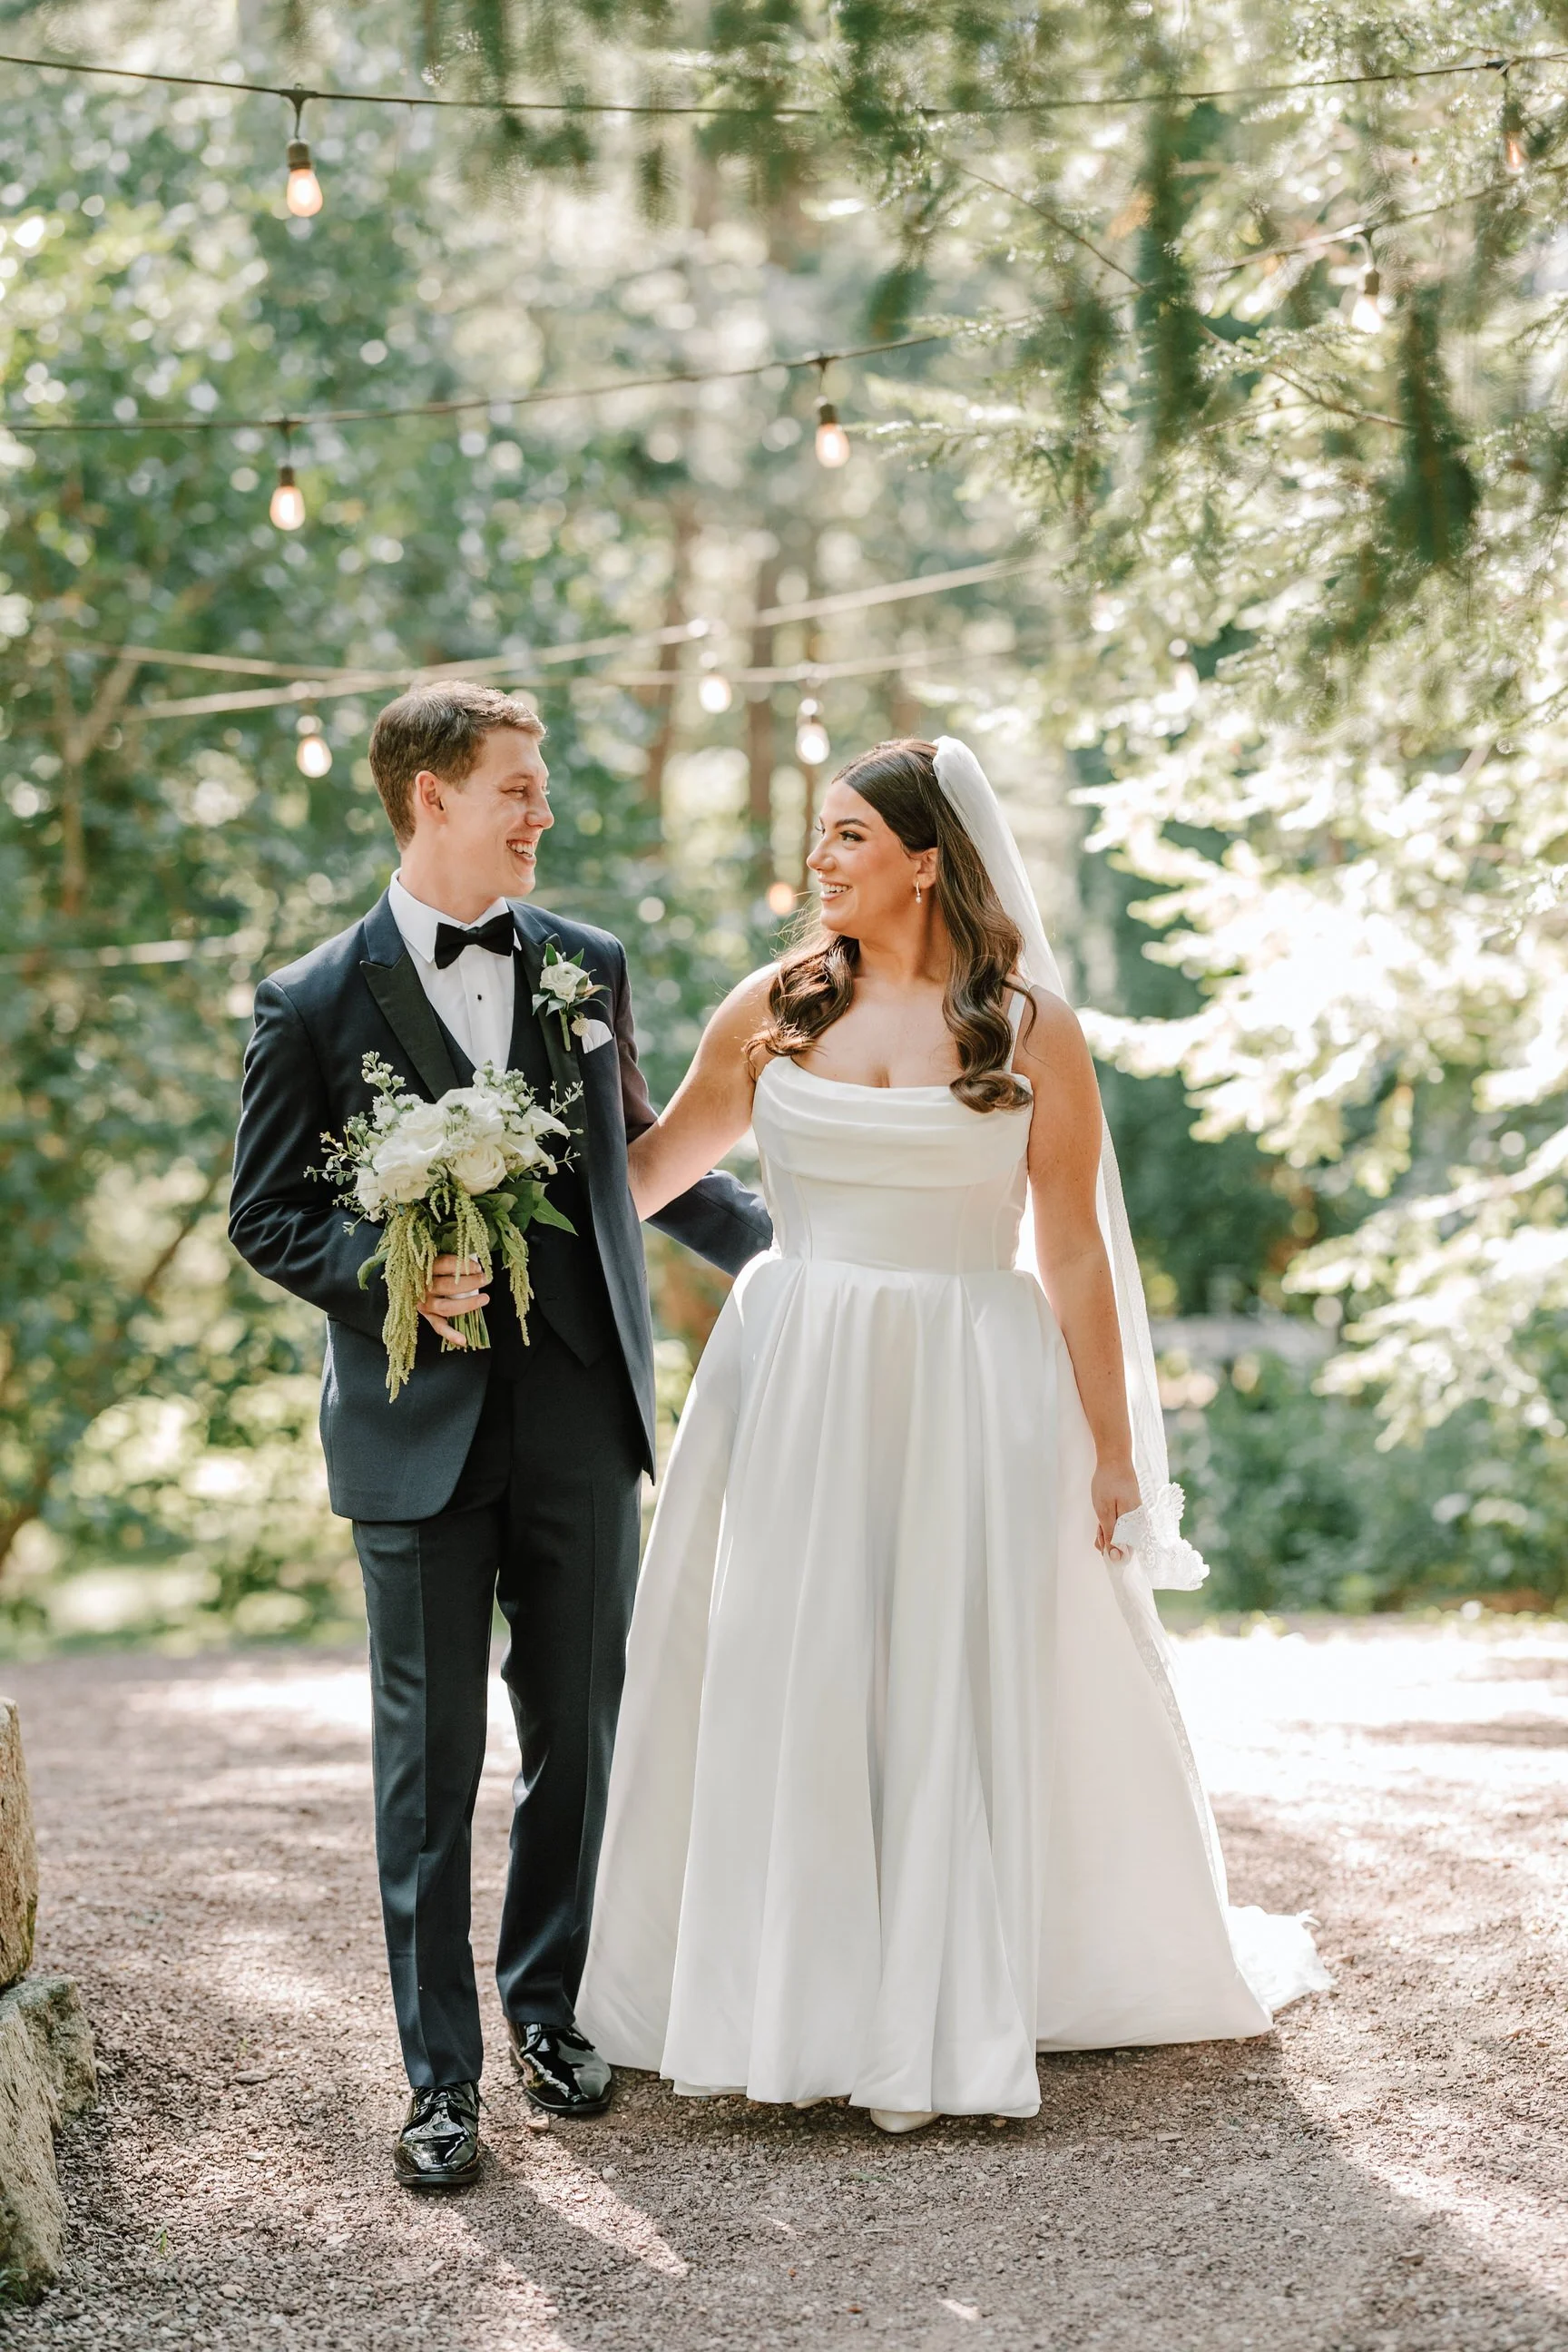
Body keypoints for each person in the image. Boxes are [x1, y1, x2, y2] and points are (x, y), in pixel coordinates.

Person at [577, 736, 1327, 2132]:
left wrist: (1114, 1448)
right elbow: (652, 1174)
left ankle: (938, 2000)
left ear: (925, 860)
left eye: (849, 836)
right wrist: (492, 1180)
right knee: (800, 1664)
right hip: (796, 1370)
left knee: (940, 1665)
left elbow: (1079, 1252)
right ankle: (793, 1998)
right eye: (822, 835)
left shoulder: (1028, 1026)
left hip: (974, 1372)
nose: (820, 861)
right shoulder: (771, 1008)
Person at [228, 682, 771, 2188]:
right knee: (428, 1766)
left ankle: (550, 2013)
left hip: (581, 1418)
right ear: (432, 801)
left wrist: (804, 1254)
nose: (545, 814)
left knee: (580, 1740)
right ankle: (439, 2083)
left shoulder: (586, 967)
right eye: (519, 789)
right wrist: (391, 1268)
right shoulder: (312, 999)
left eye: (542, 787)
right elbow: (265, 1214)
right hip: (413, 1433)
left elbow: (635, 1161)